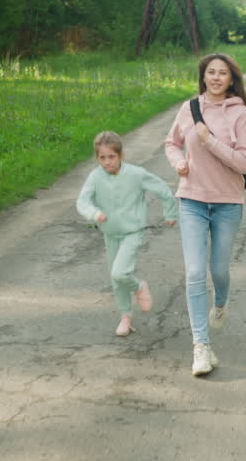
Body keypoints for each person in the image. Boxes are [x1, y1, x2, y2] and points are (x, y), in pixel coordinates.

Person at [164, 53, 246, 376]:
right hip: (191, 199)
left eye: (223, 73)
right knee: (193, 274)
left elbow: (243, 163)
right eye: (211, 73)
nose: (216, 78)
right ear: (203, 77)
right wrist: (178, 162)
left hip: (228, 202)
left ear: (232, 80)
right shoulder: (189, 108)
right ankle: (201, 347)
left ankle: (221, 303)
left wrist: (208, 140)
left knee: (218, 270)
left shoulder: (240, 112)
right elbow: (171, 143)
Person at [76, 131, 178, 337]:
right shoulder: (96, 177)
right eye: (102, 157)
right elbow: (82, 201)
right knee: (116, 279)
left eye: (111, 157)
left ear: (120, 155)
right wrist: (94, 213)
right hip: (110, 234)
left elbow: (162, 190)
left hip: (132, 232)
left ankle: (139, 287)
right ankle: (125, 317)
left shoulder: (136, 174)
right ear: (97, 158)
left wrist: (170, 212)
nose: (107, 162)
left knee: (120, 273)